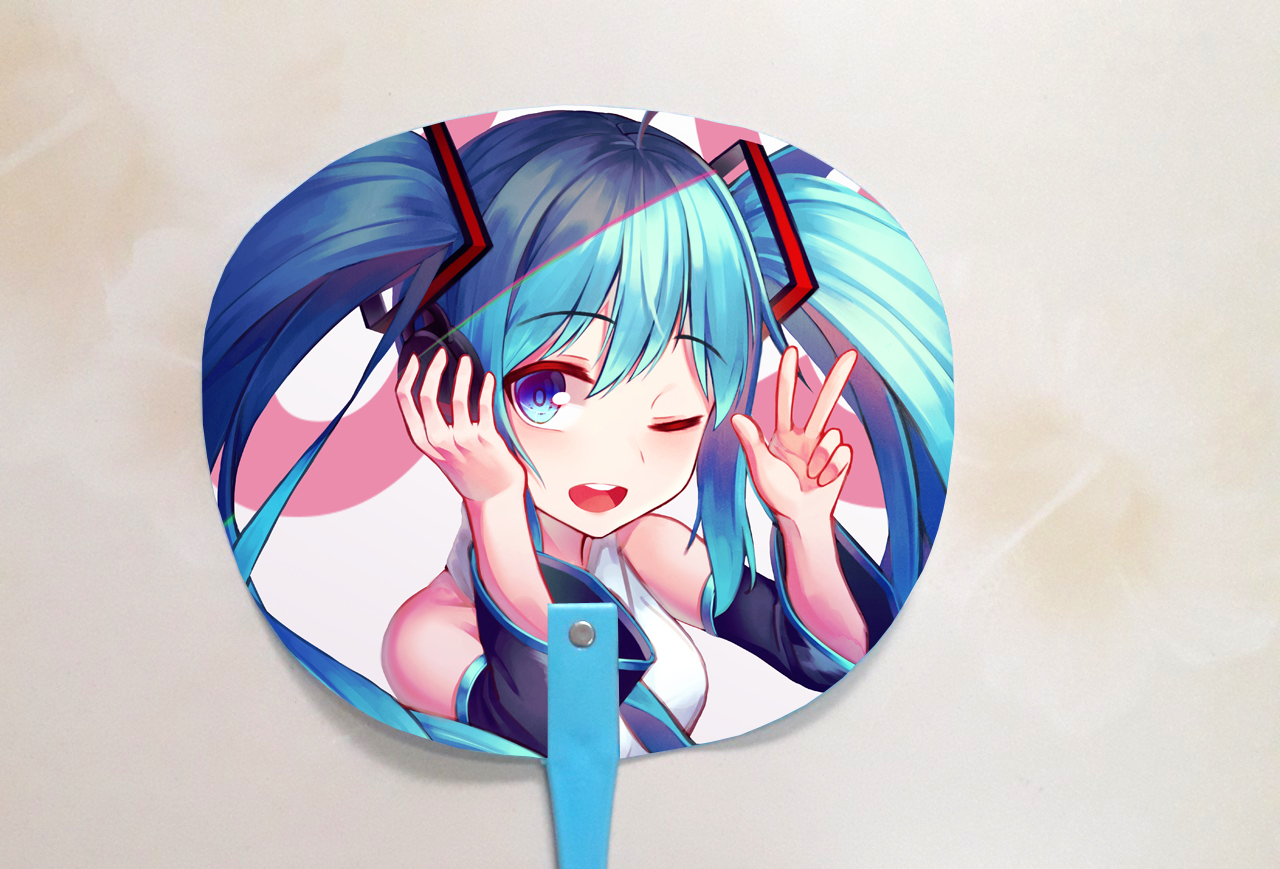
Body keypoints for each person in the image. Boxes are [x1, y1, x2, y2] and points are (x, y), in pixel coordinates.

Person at [202, 110, 953, 758]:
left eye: (674, 417)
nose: (620, 458)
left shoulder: (648, 547)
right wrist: (493, 505)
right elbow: (567, 733)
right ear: (439, 374)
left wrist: (805, 527)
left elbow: (833, 659)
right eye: (549, 394)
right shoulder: (426, 637)